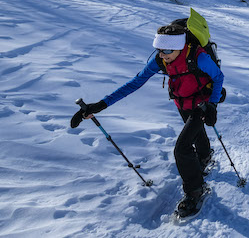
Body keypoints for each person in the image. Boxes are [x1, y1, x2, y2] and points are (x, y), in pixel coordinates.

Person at [70, 20, 224, 218]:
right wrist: (101, 104)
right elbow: (134, 83)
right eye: (159, 49)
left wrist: (211, 104)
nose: (161, 55)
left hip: (200, 102)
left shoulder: (199, 58)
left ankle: (195, 190)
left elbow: (218, 77)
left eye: (166, 51)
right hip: (181, 101)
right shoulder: (161, 61)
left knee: (182, 148)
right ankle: (204, 155)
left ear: (179, 47)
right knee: (193, 131)